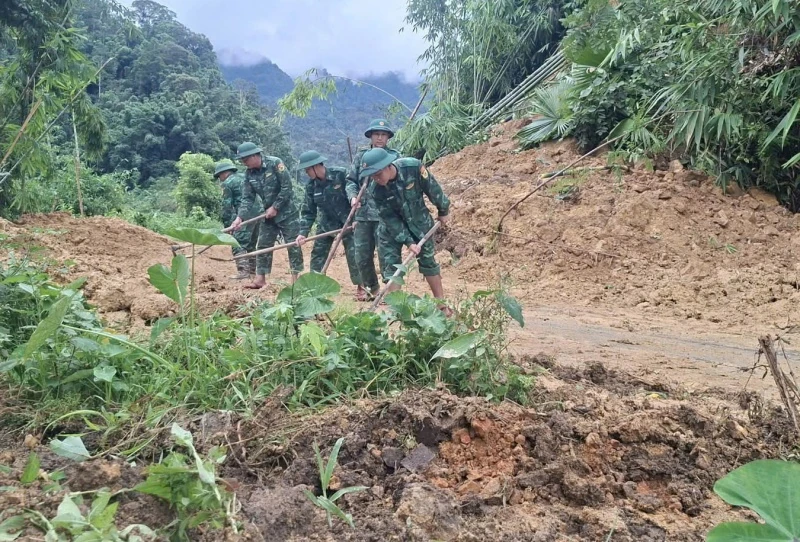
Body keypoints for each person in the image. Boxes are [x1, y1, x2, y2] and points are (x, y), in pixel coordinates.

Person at [358, 148, 451, 312]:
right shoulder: (375, 190)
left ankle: (441, 305)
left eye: (378, 174)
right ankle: (398, 311)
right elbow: (389, 218)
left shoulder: (413, 167)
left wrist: (443, 210)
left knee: (428, 261)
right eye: (372, 176)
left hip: (419, 223)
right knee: (391, 267)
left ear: (388, 166)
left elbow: (433, 189)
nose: (376, 179)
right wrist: (408, 241)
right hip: (390, 231)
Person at [230, 142, 304, 289]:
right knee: (263, 245)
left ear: (254, 155)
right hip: (268, 216)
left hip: (288, 214)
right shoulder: (249, 174)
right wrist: (239, 218)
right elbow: (247, 198)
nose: (243, 162)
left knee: (293, 245)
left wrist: (276, 206)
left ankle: (296, 280)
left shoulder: (275, 163)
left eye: (245, 159)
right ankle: (260, 279)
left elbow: (287, 187)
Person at [345, 119, 400, 300]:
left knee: (387, 255)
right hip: (363, 215)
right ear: (370, 136)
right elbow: (351, 181)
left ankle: (391, 293)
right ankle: (372, 289)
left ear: (388, 137)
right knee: (361, 255)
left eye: (383, 135)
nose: (380, 138)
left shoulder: (394, 157)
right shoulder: (361, 157)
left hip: (386, 216)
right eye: (376, 134)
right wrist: (353, 197)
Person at [295, 151, 361, 293]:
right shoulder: (311, 186)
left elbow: (355, 194)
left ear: (316, 166)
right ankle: (314, 287)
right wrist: (303, 233)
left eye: (307, 169)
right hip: (327, 224)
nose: (306, 173)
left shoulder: (341, 174)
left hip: (349, 222)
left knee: (354, 254)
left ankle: (362, 287)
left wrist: (357, 219)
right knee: (318, 253)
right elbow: (308, 212)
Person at [215, 160, 262, 280]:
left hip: (244, 214)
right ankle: (252, 271)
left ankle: (243, 272)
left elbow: (226, 206)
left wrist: (227, 226)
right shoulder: (244, 177)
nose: (220, 179)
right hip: (259, 213)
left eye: (219, 176)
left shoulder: (227, 183)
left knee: (237, 243)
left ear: (224, 173)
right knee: (251, 243)